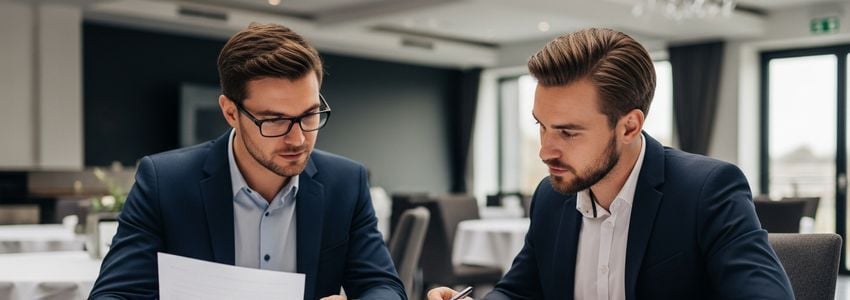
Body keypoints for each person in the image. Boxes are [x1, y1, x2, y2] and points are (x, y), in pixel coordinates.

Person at [428, 28, 793, 300]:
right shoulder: (552, 197)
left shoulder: (706, 190)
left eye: (568, 133)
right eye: (542, 126)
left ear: (629, 126)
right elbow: (520, 292)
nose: (545, 151)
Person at [90, 23, 405, 300]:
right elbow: (115, 293)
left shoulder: (345, 182)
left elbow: (383, 286)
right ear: (230, 113)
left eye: (309, 114)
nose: (297, 139)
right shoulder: (165, 182)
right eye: (274, 120)